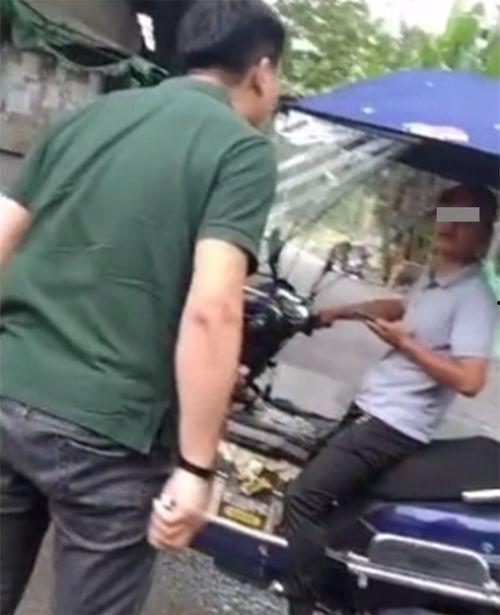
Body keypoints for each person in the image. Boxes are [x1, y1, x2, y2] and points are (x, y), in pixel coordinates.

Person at [0, 1, 285, 613]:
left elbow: (3, 235)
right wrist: (196, 468)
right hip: (111, 435)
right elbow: (213, 309)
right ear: (262, 71)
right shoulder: (241, 151)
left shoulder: (91, 116)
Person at [284, 184, 498, 615]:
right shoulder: (435, 278)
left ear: (484, 233)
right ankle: (340, 589)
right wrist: (340, 313)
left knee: (302, 498)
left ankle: (306, 601)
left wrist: (405, 345)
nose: (450, 226)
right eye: (446, 215)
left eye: (465, 219)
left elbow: (471, 380)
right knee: (336, 507)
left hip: (394, 425)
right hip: (372, 409)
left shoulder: (474, 299)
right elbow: (402, 307)